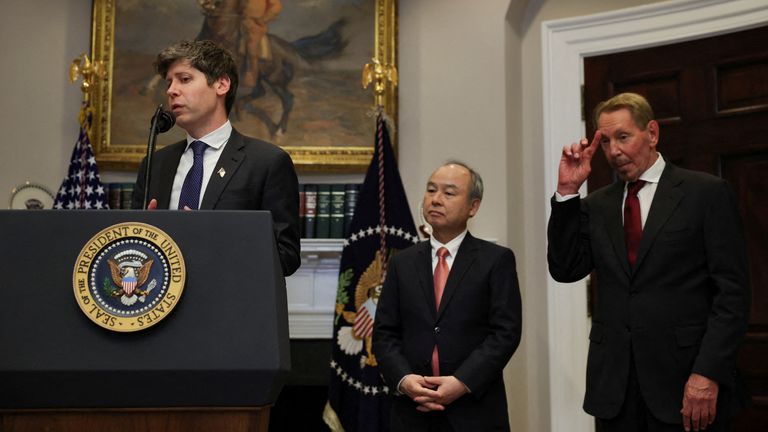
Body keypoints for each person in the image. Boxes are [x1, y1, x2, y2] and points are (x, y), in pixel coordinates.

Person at [548, 92, 749, 431]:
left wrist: (708, 372)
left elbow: (733, 294)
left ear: (652, 133)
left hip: (687, 382)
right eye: (607, 141)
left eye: (623, 137)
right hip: (616, 390)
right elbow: (565, 269)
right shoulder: (596, 206)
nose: (614, 151)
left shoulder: (706, 193)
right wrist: (567, 192)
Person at [374, 161, 522, 431]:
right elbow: (385, 334)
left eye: (449, 193)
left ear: (473, 206)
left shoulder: (495, 260)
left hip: (475, 411)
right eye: (431, 190)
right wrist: (405, 380)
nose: (436, 199)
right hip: (412, 412)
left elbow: (505, 333)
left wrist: (462, 382)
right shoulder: (402, 263)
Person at [131, 40, 300, 276]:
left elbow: (287, 257)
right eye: (169, 82)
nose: (171, 90)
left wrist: (214, 237)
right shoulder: (156, 164)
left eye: (185, 79)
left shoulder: (267, 162)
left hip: (229, 306)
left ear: (221, 84)